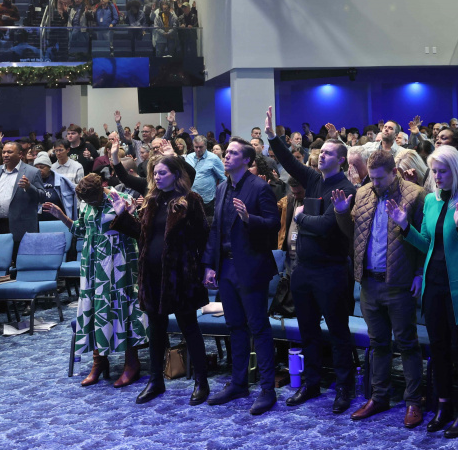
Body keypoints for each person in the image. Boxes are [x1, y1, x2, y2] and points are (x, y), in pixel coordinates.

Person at [263, 107, 357, 413]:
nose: (322, 156)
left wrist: (301, 218)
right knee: (308, 331)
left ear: (341, 160)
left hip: (331, 271)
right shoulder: (314, 179)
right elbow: (289, 161)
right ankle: (312, 383)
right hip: (303, 270)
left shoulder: (346, 189)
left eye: (328, 153)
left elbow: (328, 226)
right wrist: (272, 137)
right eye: (321, 152)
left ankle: (344, 387)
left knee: (339, 333)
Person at [400, 146, 458, 437]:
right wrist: (405, 227)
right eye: (434, 172)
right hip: (434, 284)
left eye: (443, 171)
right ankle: (443, 405)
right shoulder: (431, 200)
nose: (437, 177)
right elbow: (428, 244)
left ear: (456, 170)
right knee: (437, 348)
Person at [333, 148, 427, 426]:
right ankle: (379, 396)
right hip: (369, 282)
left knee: (407, 344)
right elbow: (353, 235)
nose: (374, 183)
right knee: (378, 343)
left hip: (399, 281)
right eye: (371, 177)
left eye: (379, 178)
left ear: (394, 173)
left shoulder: (415, 195)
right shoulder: (363, 193)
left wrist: (419, 273)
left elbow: (424, 239)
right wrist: (341, 213)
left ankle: (413, 401)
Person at [108, 158, 207, 404]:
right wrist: (122, 214)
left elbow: (203, 237)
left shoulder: (190, 200)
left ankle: (201, 382)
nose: (157, 177)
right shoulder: (152, 200)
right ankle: (155, 381)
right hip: (152, 275)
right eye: (155, 173)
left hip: (180, 275)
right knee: (156, 330)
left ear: (176, 174)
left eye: (162, 173)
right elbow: (141, 236)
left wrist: (205, 269)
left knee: (189, 328)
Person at [204, 140, 282, 415]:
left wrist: (250, 219)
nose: (226, 156)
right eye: (226, 152)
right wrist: (209, 265)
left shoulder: (259, 187)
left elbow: (274, 225)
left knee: (258, 328)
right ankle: (239, 384)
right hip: (226, 267)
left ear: (247, 160)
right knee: (235, 327)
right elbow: (216, 229)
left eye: (233, 153)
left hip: (251, 267)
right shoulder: (222, 187)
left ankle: (267, 390)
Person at [0, 141, 43, 263]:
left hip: (21, 226)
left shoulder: (32, 172)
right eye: (4, 152)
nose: (5, 155)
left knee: (21, 262)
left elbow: (42, 197)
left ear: (20, 154)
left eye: (9, 152)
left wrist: (29, 187)